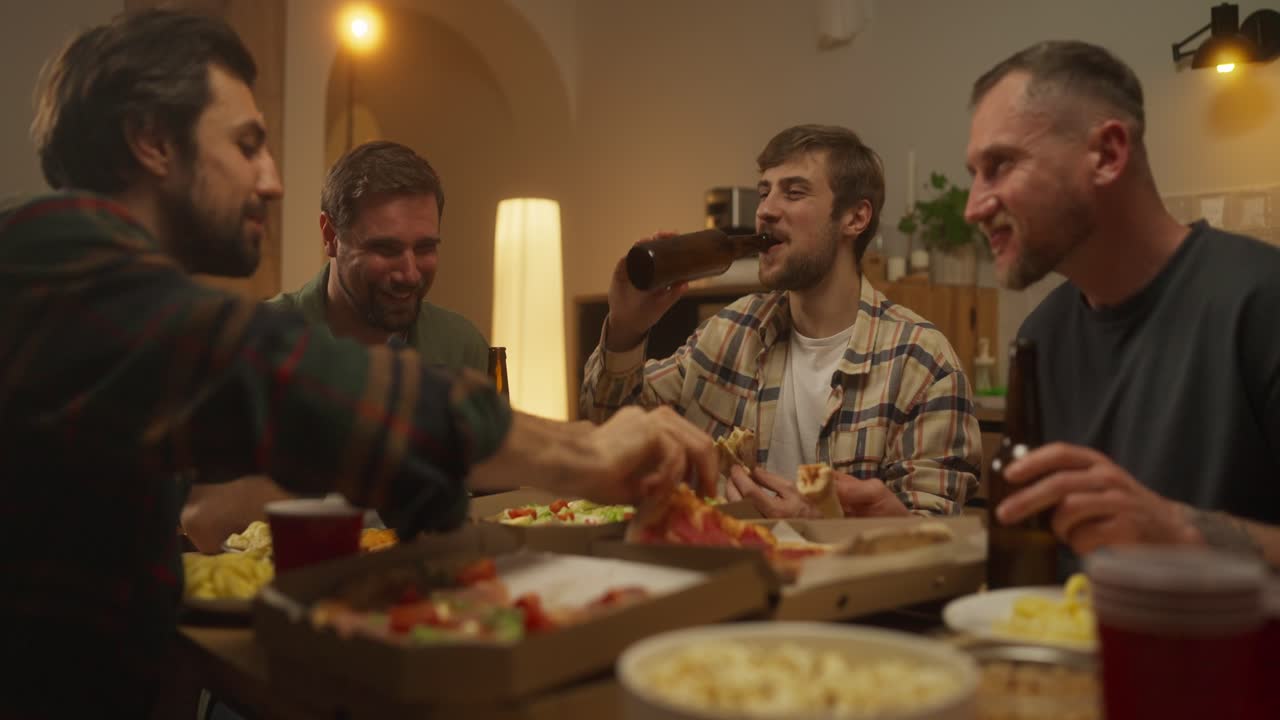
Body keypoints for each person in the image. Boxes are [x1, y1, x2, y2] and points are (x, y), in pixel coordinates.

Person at [0, 9, 716, 716]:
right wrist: (582, 447)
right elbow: (282, 378)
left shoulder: (92, 289)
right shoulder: (49, 265)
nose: (272, 179)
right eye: (248, 144)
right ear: (152, 141)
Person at [964, 40, 1280, 569]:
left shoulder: (1261, 301)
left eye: (1000, 165)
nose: (974, 206)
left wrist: (1177, 531)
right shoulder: (1042, 335)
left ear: (1108, 155)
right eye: (973, 173)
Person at [581, 124, 981, 519]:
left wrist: (825, 528)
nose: (765, 211)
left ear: (855, 218)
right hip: (727, 574)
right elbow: (612, 435)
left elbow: (937, 544)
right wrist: (626, 330)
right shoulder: (729, 333)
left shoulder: (922, 364)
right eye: (764, 192)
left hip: (840, 581)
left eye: (794, 192)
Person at [181, 141, 489, 552]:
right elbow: (202, 522)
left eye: (425, 248)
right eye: (386, 248)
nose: (410, 273)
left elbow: (479, 500)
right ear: (330, 235)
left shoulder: (461, 344)